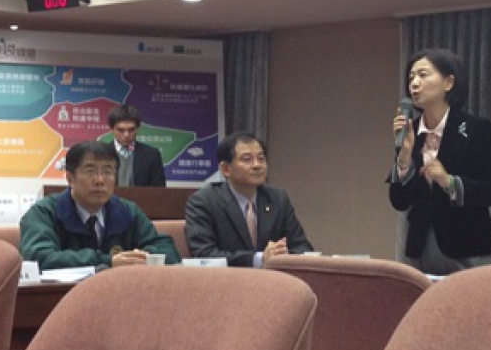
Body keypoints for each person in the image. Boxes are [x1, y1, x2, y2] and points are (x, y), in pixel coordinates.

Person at [390, 48, 491, 275]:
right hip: (420, 250)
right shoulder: (409, 132)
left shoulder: (476, 129)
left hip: (467, 247)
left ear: (448, 82)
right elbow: (399, 201)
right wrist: (403, 159)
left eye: (423, 75)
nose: (414, 83)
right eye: (411, 77)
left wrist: (450, 182)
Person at [19, 140, 180, 270]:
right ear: (70, 178)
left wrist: (139, 257)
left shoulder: (127, 210)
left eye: (108, 171)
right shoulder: (44, 212)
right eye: (90, 171)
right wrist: (107, 261)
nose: (100, 180)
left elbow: (167, 250)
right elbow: (39, 257)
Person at [184, 132, 313, 267]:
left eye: (261, 158)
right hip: (228, 278)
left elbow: (302, 247)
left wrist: (285, 255)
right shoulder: (204, 201)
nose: (257, 165)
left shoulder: (278, 198)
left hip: (274, 278)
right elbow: (203, 254)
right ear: (226, 169)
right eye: (247, 159)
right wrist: (258, 259)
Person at [107, 104, 166, 187]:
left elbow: (159, 189)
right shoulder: (103, 154)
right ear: (111, 129)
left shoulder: (152, 155)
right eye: (121, 130)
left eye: (131, 130)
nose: (126, 135)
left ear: (138, 128)